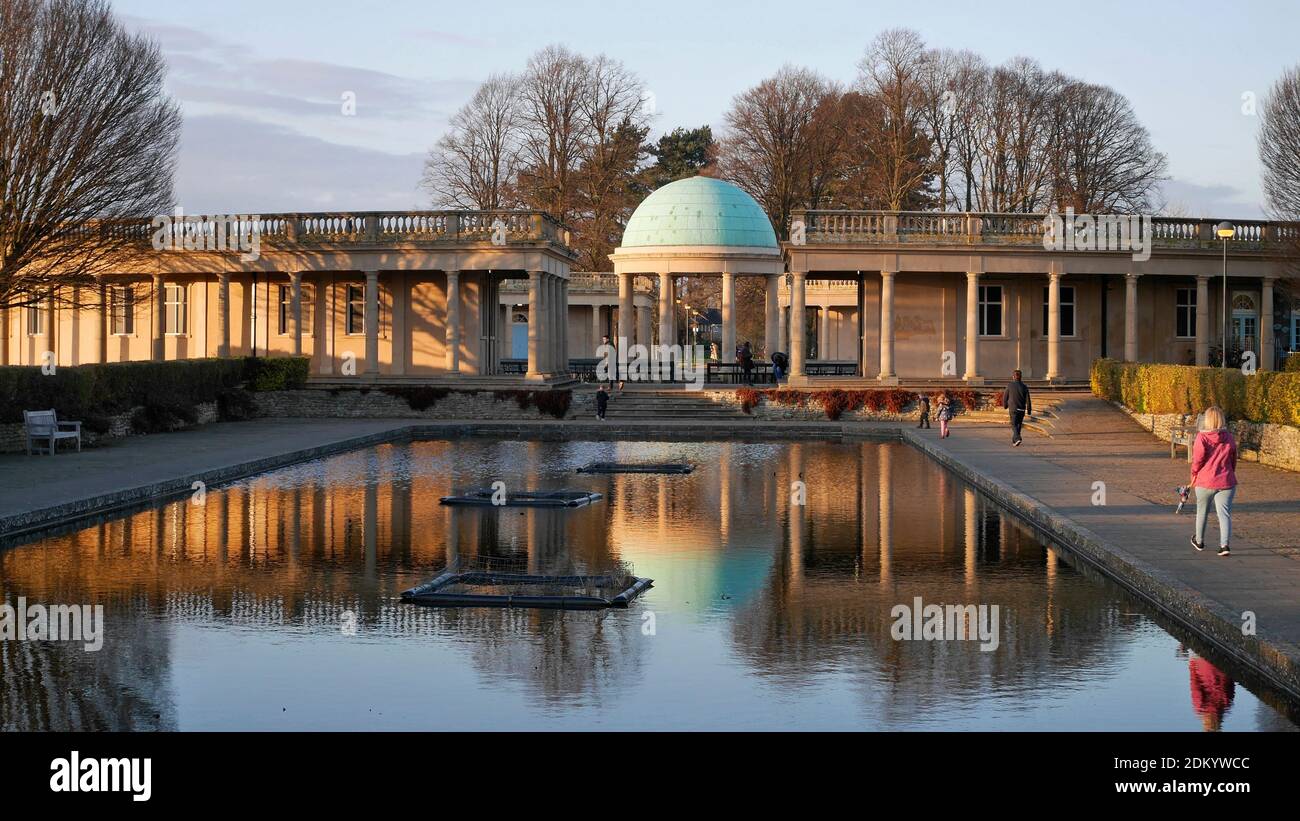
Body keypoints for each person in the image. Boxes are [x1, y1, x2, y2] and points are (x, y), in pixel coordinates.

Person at [1189, 405, 1237, 557]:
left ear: (1207, 420)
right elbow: (1233, 458)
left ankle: (1199, 541)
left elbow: (1197, 460)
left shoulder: (1202, 437)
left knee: (1202, 512)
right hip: (1226, 481)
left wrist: (1194, 474)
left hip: (1205, 481)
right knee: (1224, 514)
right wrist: (1230, 472)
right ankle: (1224, 545)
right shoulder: (1228, 437)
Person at [1002, 369, 1033, 447]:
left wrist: (1005, 405)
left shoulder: (1009, 385)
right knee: (1019, 424)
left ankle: (1018, 437)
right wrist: (1029, 410)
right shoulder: (1024, 387)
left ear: (1013, 377)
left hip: (1013, 408)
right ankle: (1015, 440)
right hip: (1021, 409)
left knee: (1014, 424)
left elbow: (1005, 397)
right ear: (1021, 377)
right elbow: (1028, 399)